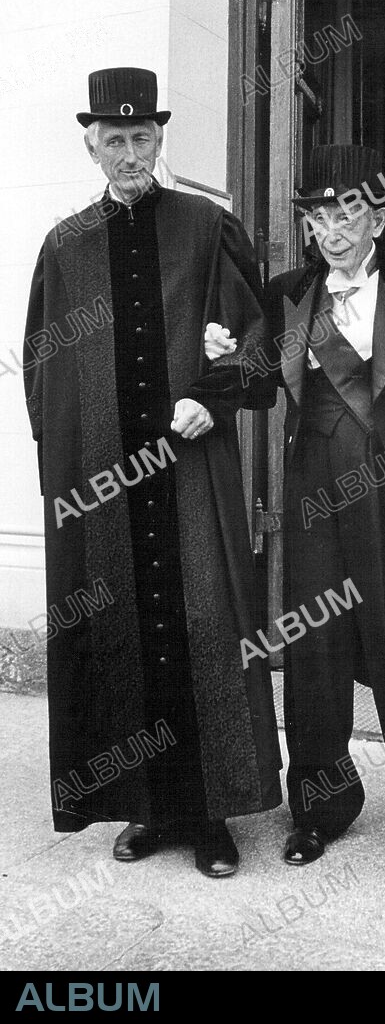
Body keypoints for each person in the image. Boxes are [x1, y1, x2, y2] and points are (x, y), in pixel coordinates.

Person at [24, 67, 281, 878]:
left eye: (143, 137)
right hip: (106, 483)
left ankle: (209, 816)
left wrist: (214, 394)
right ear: (92, 144)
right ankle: (143, 806)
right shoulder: (65, 247)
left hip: (189, 473)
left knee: (202, 627)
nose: (130, 151)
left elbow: (257, 340)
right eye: (115, 138)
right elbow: (41, 368)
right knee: (123, 634)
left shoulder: (206, 227)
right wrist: (64, 469)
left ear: (161, 140)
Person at [210, 145, 385, 874]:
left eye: (346, 210)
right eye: (319, 214)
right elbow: (254, 384)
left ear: (376, 216)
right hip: (314, 491)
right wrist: (218, 353)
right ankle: (318, 809)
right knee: (314, 656)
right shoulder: (288, 292)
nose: (332, 226)